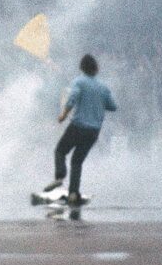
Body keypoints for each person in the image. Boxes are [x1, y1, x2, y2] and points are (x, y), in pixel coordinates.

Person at [45, 53, 117, 206]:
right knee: (77, 161)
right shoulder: (103, 87)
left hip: (77, 126)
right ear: (96, 69)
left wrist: (63, 114)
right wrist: (99, 101)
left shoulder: (79, 81)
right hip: (93, 132)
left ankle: (59, 177)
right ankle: (73, 193)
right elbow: (113, 106)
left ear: (82, 68)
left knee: (60, 151)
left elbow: (73, 97)